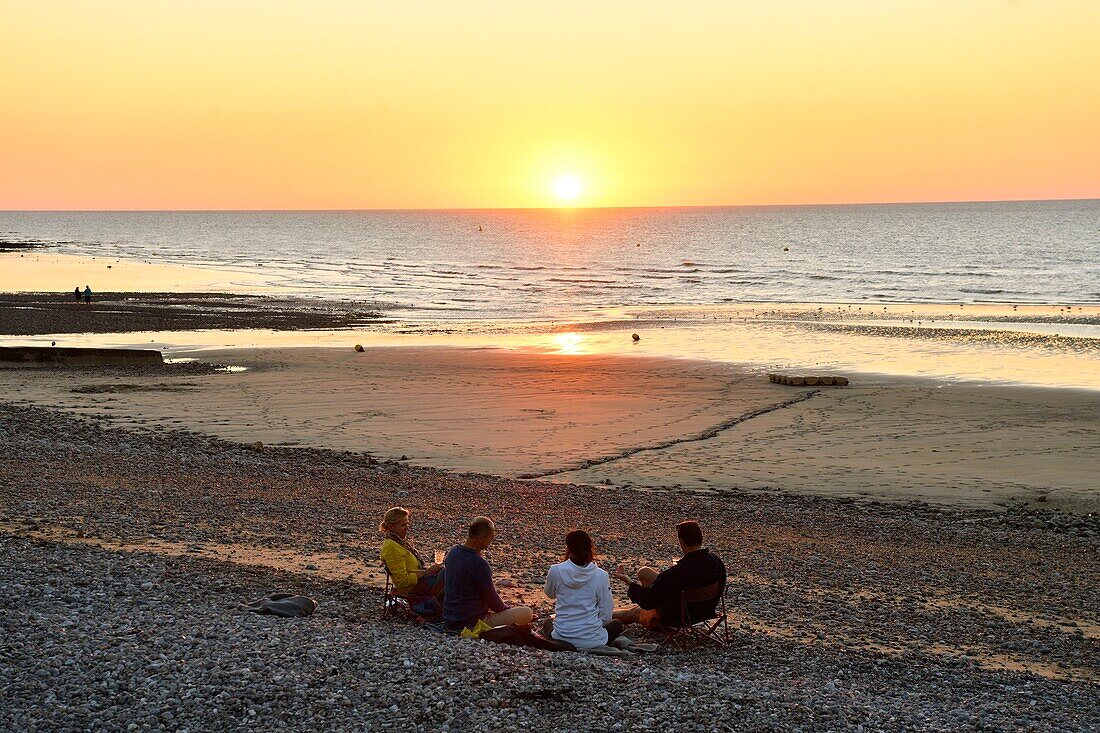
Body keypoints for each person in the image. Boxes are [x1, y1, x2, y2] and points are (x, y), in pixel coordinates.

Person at [612, 520, 726, 628]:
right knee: (644, 572)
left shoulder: (679, 572)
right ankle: (656, 593)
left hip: (676, 617)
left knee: (632, 613)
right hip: (706, 611)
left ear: (681, 542)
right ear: (700, 539)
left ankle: (599, 617)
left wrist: (628, 581)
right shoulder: (716, 562)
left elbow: (648, 601)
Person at [443, 516, 533, 632]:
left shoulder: (453, 552)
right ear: (480, 538)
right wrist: (507, 611)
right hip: (472, 623)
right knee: (527, 613)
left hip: (450, 619)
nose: (491, 541)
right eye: (490, 537)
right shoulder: (478, 563)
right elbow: (493, 602)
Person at [543, 530, 623, 649]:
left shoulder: (556, 570)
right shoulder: (601, 575)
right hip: (592, 640)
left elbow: (550, 594)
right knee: (617, 624)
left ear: (568, 548)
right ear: (590, 548)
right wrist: (594, 626)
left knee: (547, 622)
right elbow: (606, 613)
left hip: (561, 636)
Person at [379, 507, 444, 612]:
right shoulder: (391, 547)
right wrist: (427, 572)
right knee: (447, 574)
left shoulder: (399, 542)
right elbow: (403, 582)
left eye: (407, 524)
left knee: (449, 569)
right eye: (403, 525)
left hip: (419, 581)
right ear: (391, 526)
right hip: (412, 587)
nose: (407, 528)